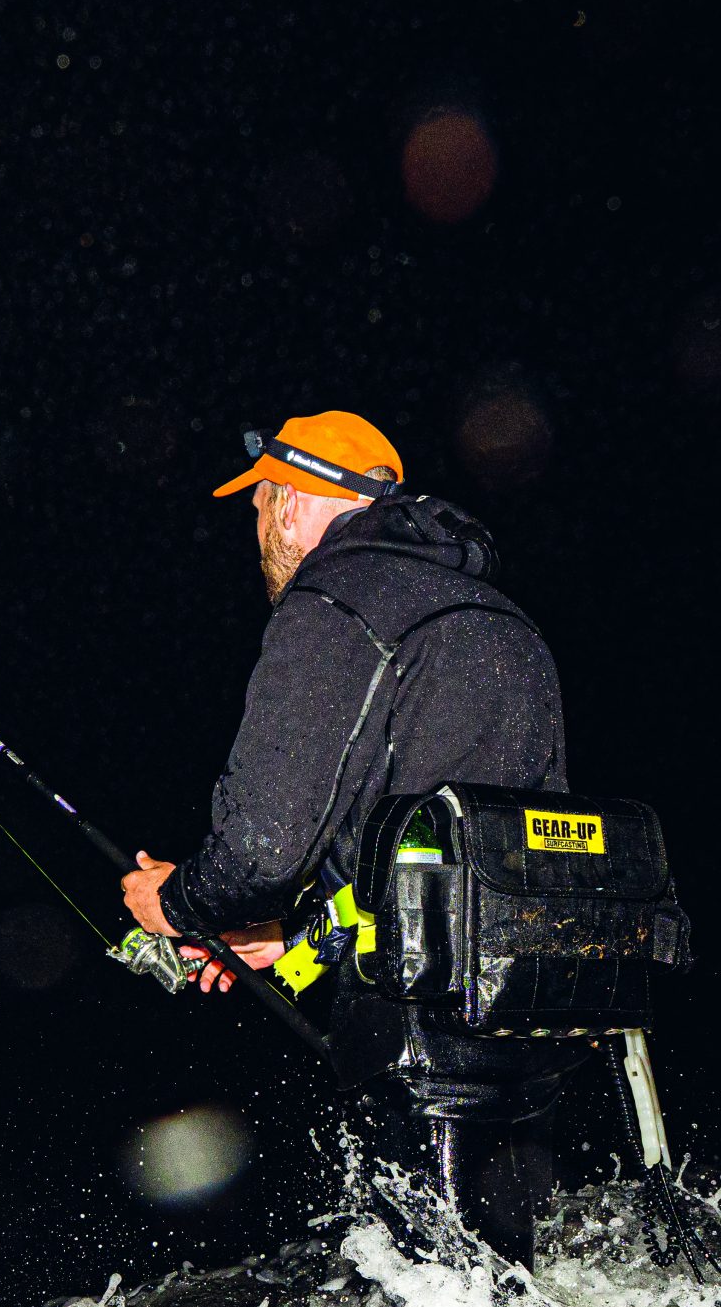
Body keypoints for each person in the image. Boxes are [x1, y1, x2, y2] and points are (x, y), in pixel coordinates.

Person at [119, 410, 594, 1262]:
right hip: (529, 1015)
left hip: (417, 1024)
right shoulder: (497, 615)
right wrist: (293, 934)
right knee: (501, 1275)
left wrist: (179, 902)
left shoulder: (333, 599)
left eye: (260, 504)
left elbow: (263, 847)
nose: (257, 529)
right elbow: (440, 849)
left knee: (433, 1290)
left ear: (294, 500)